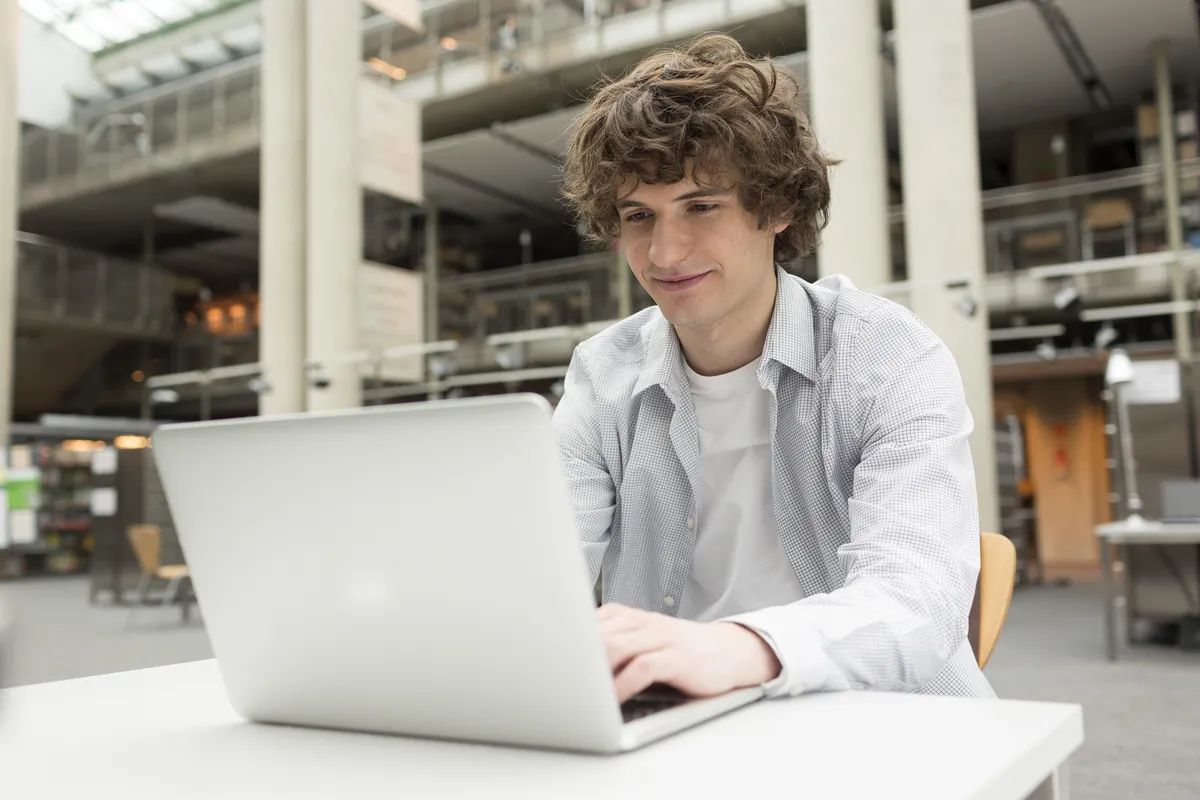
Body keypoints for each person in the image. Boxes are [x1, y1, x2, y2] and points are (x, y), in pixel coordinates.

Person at [555, 33, 995, 703]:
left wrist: (743, 646)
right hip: (684, 729)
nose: (664, 251)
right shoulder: (601, 377)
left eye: (702, 206)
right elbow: (544, 576)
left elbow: (919, 595)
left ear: (778, 207)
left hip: (887, 727)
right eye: (639, 216)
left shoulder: (885, 356)